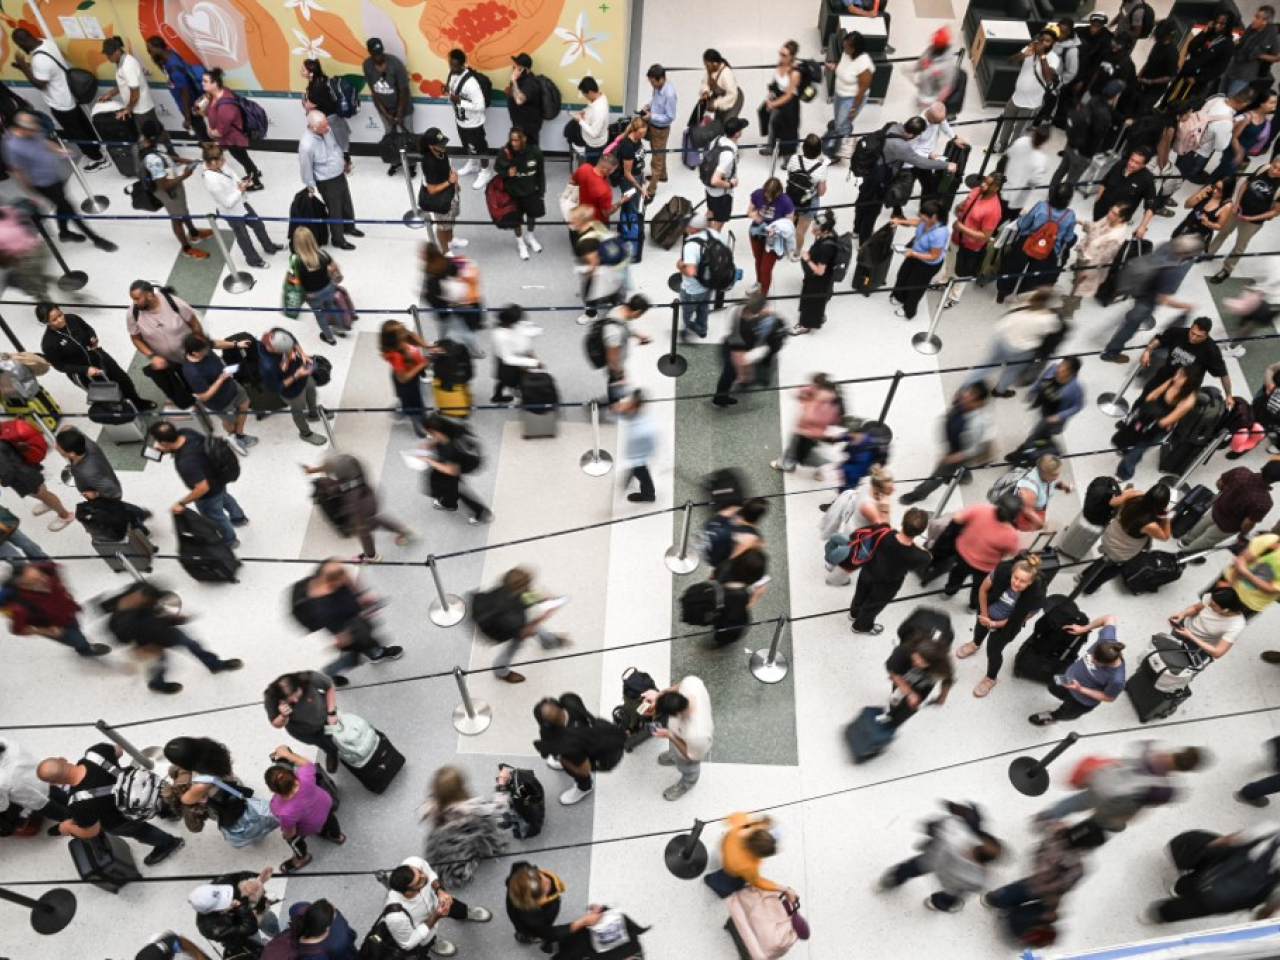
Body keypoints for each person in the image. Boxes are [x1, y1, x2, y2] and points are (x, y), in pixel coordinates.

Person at [38, 741, 185, 865]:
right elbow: (118, 750)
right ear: (63, 759)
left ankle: (168, 843)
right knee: (152, 795)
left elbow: (91, 831)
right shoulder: (96, 753)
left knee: (142, 831)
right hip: (140, 787)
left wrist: (67, 828)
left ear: (55, 783)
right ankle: (171, 811)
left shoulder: (78, 804)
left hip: (120, 820)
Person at [2, 112, 117, 250]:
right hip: (42, 184)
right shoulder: (12, 146)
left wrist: (59, 149)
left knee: (62, 206)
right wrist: (32, 195)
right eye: (32, 130)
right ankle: (95, 238)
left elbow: (43, 141)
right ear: (21, 128)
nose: (35, 132)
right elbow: (19, 172)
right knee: (69, 209)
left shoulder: (31, 132)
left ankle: (64, 232)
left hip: (54, 176)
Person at [107, 579, 243, 694]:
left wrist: (172, 618)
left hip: (164, 630)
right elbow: (122, 636)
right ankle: (156, 684)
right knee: (160, 662)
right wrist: (140, 649)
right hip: (147, 640)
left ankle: (215, 665)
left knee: (192, 644)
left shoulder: (144, 590)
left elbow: (157, 608)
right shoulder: (122, 618)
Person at [1035, 741, 1203, 830]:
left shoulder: (1152, 748)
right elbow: (1142, 805)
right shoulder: (1165, 789)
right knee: (1104, 822)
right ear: (1187, 770)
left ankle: (1047, 817)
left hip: (1104, 775)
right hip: (1114, 797)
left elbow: (1131, 749)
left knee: (1076, 802)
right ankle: (1075, 834)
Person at [290, 559, 404, 684]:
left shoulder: (328, 581)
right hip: (348, 631)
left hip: (356, 622)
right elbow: (341, 637)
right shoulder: (322, 608)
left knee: (368, 639)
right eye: (341, 573)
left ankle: (376, 653)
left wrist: (361, 597)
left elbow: (349, 584)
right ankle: (329, 674)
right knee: (351, 657)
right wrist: (348, 637)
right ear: (333, 582)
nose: (346, 574)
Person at [878, 801, 1002, 913]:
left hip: (930, 860)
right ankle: (936, 903)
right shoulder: (977, 878)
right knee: (951, 896)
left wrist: (965, 812)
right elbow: (973, 886)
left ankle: (891, 880)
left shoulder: (954, 830)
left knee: (908, 869)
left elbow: (937, 826)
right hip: (950, 879)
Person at [10, 29, 108, 170]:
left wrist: (25, 69)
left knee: (77, 133)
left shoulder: (39, 59)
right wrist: (30, 68)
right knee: (84, 125)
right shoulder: (47, 43)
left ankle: (98, 159)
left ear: (22, 42)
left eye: (19, 45)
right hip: (70, 95)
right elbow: (50, 70)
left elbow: (40, 84)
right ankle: (98, 148)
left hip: (60, 103)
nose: (20, 48)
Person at [1144, 825, 1280, 924]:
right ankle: (1159, 915)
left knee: (1203, 876)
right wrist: (1264, 915)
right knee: (1196, 907)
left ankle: (1177, 890)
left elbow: (1231, 839)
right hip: (1230, 898)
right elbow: (1274, 901)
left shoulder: (1271, 829)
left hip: (1218, 872)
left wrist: (1209, 849)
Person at [161, 736, 277, 848]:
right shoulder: (209, 747)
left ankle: (255, 835)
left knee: (235, 820)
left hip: (220, 800)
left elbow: (186, 799)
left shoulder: (200, 784)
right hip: (229, 782)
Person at [1099, 236, 1201, 363]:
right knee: (1130, 326)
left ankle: (1132, 316)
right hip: (1147, 299)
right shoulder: (1173, 270)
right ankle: (1111, 353)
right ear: (1185, 253)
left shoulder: (1166, 245)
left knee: (1133, 316)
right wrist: (1185, 306)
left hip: (1138, 285)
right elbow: (1163, 298)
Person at [956, 556, 1047, 697]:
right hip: (987, 612)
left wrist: (993, 624)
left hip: (1007, 625)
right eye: (1015, 578)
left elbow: (1018, 618)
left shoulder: (1036, 597)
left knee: (994, 650)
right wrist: (985, 616)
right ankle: (975, 644)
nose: (1016, 583)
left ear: (1030, 582)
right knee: (979, 630)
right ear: (1011, 573)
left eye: (1022, 581)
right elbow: (983, 590)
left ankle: (990, 678)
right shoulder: (1001, 571)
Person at [149, 420, 248, 547]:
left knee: (217, 517)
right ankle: (239, 518)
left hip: (208, 494)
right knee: (225, 497)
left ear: (163, 442)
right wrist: (167, 450)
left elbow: (202, 488)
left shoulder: (186, 463)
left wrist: (182, 503)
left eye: (156, 440)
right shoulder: (186, 432)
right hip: (219, 477)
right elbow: (194, 449)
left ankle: (230, 541)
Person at [36, 301, 152, 408]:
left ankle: (137, 402)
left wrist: (93, 337)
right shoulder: (48, 343)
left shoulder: (72, 318)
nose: (61, 320)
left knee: (122, 379)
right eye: (54, 320)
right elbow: (60, 366)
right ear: (46, 322)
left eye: (60, 315)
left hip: (97, 356)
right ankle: (125, 412)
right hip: (82, 373)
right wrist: (86, 369)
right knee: (107, 395)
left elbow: (88, 329)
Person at [303, 456, 415, 563]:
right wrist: (313, 470)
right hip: (370, 498)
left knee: (365, 529)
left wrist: (352, 518)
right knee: (376, 521)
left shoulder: (352, 496)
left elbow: (359, 521)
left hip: (361, 508)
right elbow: (330, 467)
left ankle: (371, 556)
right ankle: (404, 531)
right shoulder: (350, 464)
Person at [900, 383, 994, 504]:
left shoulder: (977, 424)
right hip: (954, 442)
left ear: (978, 403)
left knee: (938, 476)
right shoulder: (963, 404)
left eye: (972, 395)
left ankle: (919, 494)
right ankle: (964, 476)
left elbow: (973, 450)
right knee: (961, 466)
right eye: (969, 391)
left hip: (956, 452)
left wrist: (953, 458)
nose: (965, 395)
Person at [384, 856, 493, 958]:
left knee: (455, 906)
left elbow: (430, 874)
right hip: (423, 928)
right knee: (426, 940)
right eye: (419, 880)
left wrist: (439, 890)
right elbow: (408, 943)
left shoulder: (414, 862)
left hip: (437, 900)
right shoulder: (395, 917)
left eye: (420, 872)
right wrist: (435, 917)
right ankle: (433, 943)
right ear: (408, 891)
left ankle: (466, 913)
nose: (424, 876)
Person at [474, 565, 567, 684]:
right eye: (526, 586)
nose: (529, 588)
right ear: (518, 589)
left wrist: (539, 597)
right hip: (507, 628)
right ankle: (500, 671)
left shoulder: (505, 590)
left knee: (533, 623)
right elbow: (524, 631)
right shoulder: (511, 617)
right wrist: (543, 616)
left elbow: (522, 599)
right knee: (514, 647)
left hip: (509, 618)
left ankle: (549, 641)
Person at [964, 289, 1063, 397]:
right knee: (1011, 371)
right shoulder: (1048, 319)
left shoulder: (1021, 306)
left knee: (987, 365)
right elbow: (1054, 329)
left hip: (1002, 341)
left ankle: (966, 387)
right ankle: (999, 390)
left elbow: (1005, 319)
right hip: (1022, 350)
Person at [422, 765, 509, 888]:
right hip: (465, 846)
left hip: (446, 848)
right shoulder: (471, 810)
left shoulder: (432, 807)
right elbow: (498, 809)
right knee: (487, 826)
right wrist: (502, 783)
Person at [1028, 616, 1126, 725]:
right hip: (1069, 676)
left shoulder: (1117, 679)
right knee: (1054, 688)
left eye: (1095, 661)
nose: (1090, 658)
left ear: (1106, 664)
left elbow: (1108, 697)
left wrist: (1080, 689)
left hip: (1081, 699)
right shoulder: (1107, 642)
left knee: (1066, 712)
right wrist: (1084, 628)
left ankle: (1053, 717)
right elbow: (1109, 618)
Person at [534, 693, 626, 806]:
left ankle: (584, 787)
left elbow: (584, 769)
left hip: (601, 756)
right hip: (598, 736)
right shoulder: (570, 700)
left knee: (573, 765)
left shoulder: (569, 744)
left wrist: (565, 761)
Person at [137, 120, 211, 260]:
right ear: (155, 137)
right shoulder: (153, 160)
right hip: (169, 191)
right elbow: (164, 185)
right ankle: (186, 248)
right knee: (177, 218)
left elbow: (162, 155)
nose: (165, 133)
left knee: (183, 210)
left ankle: (194, 233)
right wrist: (185, 175)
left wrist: (182, 160)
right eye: (162, 131)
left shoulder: (146, 144)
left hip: (173, 185)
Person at [1114, 366, 1203, 481]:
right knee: (1131, 434)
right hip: (1148, 416)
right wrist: (1148, 410)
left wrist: (1153, 413)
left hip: (1158, 427)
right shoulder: (1172, 381)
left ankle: (1124, 473)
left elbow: (1167, 421)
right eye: (1177, 373)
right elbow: (1153, 394)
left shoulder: (1188, 400)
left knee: (1138, 448)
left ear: (1190, 382)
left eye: (1181, 376)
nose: (1176, 377)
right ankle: (1126, 449)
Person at [1, 561, 108, 657]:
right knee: (77, 639)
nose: (44, 579)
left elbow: (55, 571)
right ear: (21, 584)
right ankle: (84, 650)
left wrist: (66, 591)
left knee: (77, 629)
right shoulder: (18, 606)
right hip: (56, 628)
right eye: (35, 579)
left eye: (40, 574)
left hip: (68, 613)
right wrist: (44, 631)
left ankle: (81, 642)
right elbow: (18, 630)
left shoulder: (48, 569)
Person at [849, 508, 931, 635]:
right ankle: (861, 626)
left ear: (903, 522)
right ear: (921, 531)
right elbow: (928, 558)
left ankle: (853, 613)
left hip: (868, 571)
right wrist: (917, 546)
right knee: (873, 606)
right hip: (887, 585)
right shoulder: (918, 555)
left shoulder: (884, 533)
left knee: (860, 593)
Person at [265, 745, 344, 875]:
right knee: (329, 818)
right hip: (325, 804)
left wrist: (286, 836)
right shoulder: (305, 776)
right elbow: (306, 763)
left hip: (309, 826)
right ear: (291, 774)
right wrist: (287, 755)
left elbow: (291, 832)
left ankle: (302, 858)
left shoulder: (282, 810)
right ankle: (337, 836)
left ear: (273, 790)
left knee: (293, 841)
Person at [1080, 483, 1173, 594]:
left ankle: (1083, 575)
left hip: (1111, 535)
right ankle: (1088, 588)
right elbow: (1165, 537)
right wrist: (1167, 518)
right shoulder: (1150, 525)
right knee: (1112, 569)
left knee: (1105, 560)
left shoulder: (1135, 495)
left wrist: (1127, 493)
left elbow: (1112, 502)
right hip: (1120, 550)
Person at [55, 426, 151, 531]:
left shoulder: (88, 473)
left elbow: (114, 491)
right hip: (104, 480)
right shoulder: (85, 443)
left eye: (59, 446)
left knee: (120, 512)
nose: (55, 446)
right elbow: (71, 428)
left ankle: (141, 527)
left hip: (104, 496)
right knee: (121, 507)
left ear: (72, 453)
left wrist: (95, 495)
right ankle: (141, 513)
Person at [933, 497, 1022, 609]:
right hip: (985, 567)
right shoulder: (1011, 535)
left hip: (963, 554)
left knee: (956, 576)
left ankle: (949, 593)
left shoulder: (981, 508)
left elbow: (958, 518)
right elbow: (1010, 552)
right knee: (979, 587)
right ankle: (973, 606)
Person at [127, 279, 204, 408]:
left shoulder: (175, 304)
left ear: (150, 295)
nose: (134, 302)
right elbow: (136, 338)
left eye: (137, 298)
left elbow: (195, 325)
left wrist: (199, 347)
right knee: (182, 383)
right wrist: (151, 356)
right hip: (166, 361)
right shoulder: (133, 313)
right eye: (133, 299)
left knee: (199, 379)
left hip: (189, 355)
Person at [202, 143, 280, 270]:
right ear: (212, 162)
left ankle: (269, 247)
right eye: (222, 159)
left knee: (259, 225)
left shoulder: (220, 165)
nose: (225, 160)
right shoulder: (212, 182)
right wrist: (240, 190)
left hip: (241, 203)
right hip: (232, 212)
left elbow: (231, 173)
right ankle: (253, 260)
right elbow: (227, 203)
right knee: (244, 237)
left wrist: (241, 183)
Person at [996, 184, 1077, 303]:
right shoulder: (1070, 215)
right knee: (1034, 277)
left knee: (1012, 267)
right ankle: (1023, 298)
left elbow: (1023, 224)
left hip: (1028, 241)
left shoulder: (1041, 206)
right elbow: (1069, 238)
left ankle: (1002, 293)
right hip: (1050, 250)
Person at [181, 334, 256, 456]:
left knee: (244, 403)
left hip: (231, 386)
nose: (209, 349)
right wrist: (221, 379)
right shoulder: (193, 372)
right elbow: (204, 396)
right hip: (219, 401)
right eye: (206, 349)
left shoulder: (204, 347)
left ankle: (240, 434)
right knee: (230, 421)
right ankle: (233, 438)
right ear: (194, 353)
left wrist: (236, 344)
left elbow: (216, 343)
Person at [1209, 156, 1280, 283]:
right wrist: (1237, 203)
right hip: (1238, 210)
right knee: (1223, 231)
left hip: (1253, 222)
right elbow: (1246, 184)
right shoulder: (1263, 169)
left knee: (1240, 245)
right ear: (1272, 163)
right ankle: (1209, 253)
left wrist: (1251, 218)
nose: (1275, 171)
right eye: (1275, 167)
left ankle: (1227, 269)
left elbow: (1274, 212)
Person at [1181, 462, 1280, 553]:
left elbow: (1219, 483)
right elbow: (1247, 523)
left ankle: (1186, 540)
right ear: (1276, 480)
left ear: (1264, 466)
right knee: (1208, 539)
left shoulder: (1241, 471)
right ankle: (1187, 553)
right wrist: (1242, 535)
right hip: (1228, 526)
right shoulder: (1264, 502)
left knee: (1202, 524)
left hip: (1217, 508)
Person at [506, 863, 605, 951]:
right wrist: (583, 922)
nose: (548, 880)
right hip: (531, 923)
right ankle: (525, 936)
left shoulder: (521, 870)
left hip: (539, 911)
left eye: (540, 875)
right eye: (544, 891)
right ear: (536, 901)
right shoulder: (532, 918)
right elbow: (551, 933)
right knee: (531, 931)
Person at [642, 676, 713, 801]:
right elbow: (678, 686)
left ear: (677, 715)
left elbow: (693, 757)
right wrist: (659, 695)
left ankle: (687, 783)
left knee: (688, 767)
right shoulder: (691, 684)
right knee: (676, 750)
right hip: (680, 735)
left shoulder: (697, 735)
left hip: (690, 751)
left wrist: (670, 735)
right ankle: (674, 755)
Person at [258, 326, 330, 446]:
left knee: (312, 392)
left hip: (303, 375)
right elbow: (275, 387)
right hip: (292, 391)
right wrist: (296, 375)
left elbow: (292, 338)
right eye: (287, 351)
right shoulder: (268, 366)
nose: (291, 351)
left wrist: (302, 354)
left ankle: (313, 414)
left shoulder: (277, 334)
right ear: (274, 349)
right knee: (299, 411)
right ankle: (305, 433)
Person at [703, 812, 798, 902]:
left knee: (729, 874)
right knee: (730, 881)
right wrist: (785, 889)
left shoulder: (741, 827)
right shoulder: (749, 866)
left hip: (726, 851)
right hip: (733, 869)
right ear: (759, 854)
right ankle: (715, 885)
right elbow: (757, 882)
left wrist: (761, 824)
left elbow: (736, 817)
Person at [416, 414, 493, 524]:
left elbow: (451, 470)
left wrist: (429, 461)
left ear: (436, 432)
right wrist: (430, 445)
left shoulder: (451, 449)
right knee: (443, 480)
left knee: (455, 486)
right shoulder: (451, 429)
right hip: (466, 457)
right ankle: (448, 503)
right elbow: (441, 440)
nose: (428, 435)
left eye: (429, 434)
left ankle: (482, 513)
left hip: (467, 464)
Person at [298, 110, 358, 251]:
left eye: (326, 124)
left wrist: (344, 163)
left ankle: (349, 227)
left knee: (346, 201)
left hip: (338, 173)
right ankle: (338, 239)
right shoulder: (307, 145)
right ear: (313, 127)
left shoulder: (326, 130)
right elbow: (305, 166)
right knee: (335, 209)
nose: (327, 128)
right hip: (326, 180)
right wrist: (310, 185)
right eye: (324, 126)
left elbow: (335, 148)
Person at [941, 174, 1004, 307]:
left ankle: (954, 296)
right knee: (950, 259)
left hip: (971, 245)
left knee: (963, 272)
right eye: (984, 181)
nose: (983, 185)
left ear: (996, 188)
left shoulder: (994, 210)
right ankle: (945, 280)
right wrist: (959, 207)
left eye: (988, 184)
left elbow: (985, 236)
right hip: (957, 237)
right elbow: (964, 206)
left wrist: (962, 228)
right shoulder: (976, 191)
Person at [994, 29, 1060, 152]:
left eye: (1048, 41)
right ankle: (1001, 145)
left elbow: (1048, 78)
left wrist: (1042, 56)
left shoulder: (1053, 58)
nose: (1044, 43)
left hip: (1031, 104)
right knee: (1006, 123)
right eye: (1042, 40)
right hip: (1015, 98)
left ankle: (1012, 151)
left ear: (1053, 43)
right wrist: (1024, 54)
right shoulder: (1030, 49)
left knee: (1019, 130)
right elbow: (1010, 61)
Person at [1049, 80, 1122, 190]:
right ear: (1116, 96)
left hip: (1071, 143)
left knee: (1061, 170)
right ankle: (1059, 201)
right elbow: (1097, 139)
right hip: (1083, 153)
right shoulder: (1105, 116)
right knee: (1071, 181)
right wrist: (1089, 157)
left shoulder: (1094, 100)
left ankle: (1051, 192)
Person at [189, 867, 279, 956]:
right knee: (261, 949)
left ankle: (281, 937)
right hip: (245, 934)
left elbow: (243, 875)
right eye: (222, 903)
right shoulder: (210, 928)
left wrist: (258, 881)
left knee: (271, 924)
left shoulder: (222, 882)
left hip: (258, 910)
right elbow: (249, 928)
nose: (231, 900)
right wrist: (243, 903)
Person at [1177, 85, 1256, 182]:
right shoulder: (1226, 122)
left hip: (1186, 138)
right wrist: (1233, 128)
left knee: (1177, 169)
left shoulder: (1217, 98)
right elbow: (1220, 147)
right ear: (1244, 104)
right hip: (1197, 152)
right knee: (1179, 177)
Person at [264, 671, 340, 772]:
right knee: (322, 743)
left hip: (325, 719)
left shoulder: (308, 678)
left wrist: (331, 713)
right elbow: (275, 723)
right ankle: (331, 753)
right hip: (304, 731)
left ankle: (339, 748)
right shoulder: (271, 697)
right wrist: (283, 715)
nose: (295, 700)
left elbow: (329, 686)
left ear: (300, 685)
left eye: (296, 694)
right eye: (289, 699)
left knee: (335, 737)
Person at [200, 68, 261, 189]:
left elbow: (220, 131)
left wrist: (209, 129)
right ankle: (255, 173)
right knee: (244, 158)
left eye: (205, 81)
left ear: (214, 84)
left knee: (243, 159)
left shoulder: (225, 107)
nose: (202, 83)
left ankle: (257, 183)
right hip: (230, 138)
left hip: (232, 139)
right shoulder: (219, 93)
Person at [889, 200, 949, 321]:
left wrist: (914, 253)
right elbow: (917, 223)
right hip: (914, 254)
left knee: (915, 286)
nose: (920, 218)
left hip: (927, 264)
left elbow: (934, 256)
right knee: (903, 275)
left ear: (934, 217)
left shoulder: (939, 233)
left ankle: (908, 310)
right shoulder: (925, 221)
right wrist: (900, 221)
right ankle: (899, 296)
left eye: (923, 216)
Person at [289, 226, 348, 346]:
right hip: (328, 288)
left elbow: (296, 282)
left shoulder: (297, 262)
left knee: (320, 316)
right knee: (332, 306)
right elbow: (334, 266)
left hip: (313, 295)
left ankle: (329, 338)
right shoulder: (322, 254)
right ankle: (340, 329)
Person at [1013, 357, 1085, 456]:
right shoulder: (1052, 369)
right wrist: (1032, 391)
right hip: (1045, 408)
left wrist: (1059, 416)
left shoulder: (1075, 389)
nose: (1059, 367)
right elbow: (1041, 380)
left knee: (1036, 434)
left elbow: (1078, 406)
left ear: (1071, 372)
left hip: (1053, 417)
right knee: (1042, 435)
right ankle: (1042, 442)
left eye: (1064, 367)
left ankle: (1023, 450)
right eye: (1061, 364)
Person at [364, 38, 413, 179]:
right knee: (390, 137)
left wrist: (398, 114)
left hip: (403, 108)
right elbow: (374, 91)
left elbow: (404, 90)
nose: (378, 57)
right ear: (370, 53)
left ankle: (410, 165)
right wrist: (385, 114)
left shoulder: (395, 64)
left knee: (406, 137)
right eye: (375, 54)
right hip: (385, 110)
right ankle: (395, 162)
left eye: (380, 53)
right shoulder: (367, 65)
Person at [772, 374, 841, 472]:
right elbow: (801, 395)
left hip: (808, 432)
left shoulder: (824, 403)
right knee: (794, 448)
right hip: (807, 431)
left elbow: (811, 417)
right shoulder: (822, 395)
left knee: (801, 455)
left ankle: (822, 463)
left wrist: (806, 400)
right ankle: (786, 463)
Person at [0, 736, 68, 831]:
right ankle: (80, 814)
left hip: (33, 798)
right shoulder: (7, 744)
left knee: (54, 811)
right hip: (40, 778)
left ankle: (74, 825)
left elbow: (3, 805)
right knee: (63, 798)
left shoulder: (2, 780)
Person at [884, 636, 954, 727]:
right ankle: (892, 710)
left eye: (920, 663)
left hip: (924, 685)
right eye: (914, 659)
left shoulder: (941, 665)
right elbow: (894, 674)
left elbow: (947, 679)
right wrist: (910, 693)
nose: (915, 663)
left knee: (910, 708)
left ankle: (898, 721)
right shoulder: (902, 651)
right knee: (896, 699)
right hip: (902, 678)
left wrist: (943, 696)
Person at [498, 127, 545, 260]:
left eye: (516, 140)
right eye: (511, 140)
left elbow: (540, 173)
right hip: (513, 193)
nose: (513, 143)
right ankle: (520, 243)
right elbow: (497, 167)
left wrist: (541, 191)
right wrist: (507, 173)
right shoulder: (505, 151)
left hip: (531, 191)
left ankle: (530, 236)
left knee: (532, 215)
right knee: (516, 219)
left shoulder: (535, 151)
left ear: (524, 139)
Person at [792, 209, 840, 335]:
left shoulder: (826, 248)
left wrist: (807, 259)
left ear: (825, 231)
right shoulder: (830, 236)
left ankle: (805, 325)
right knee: (816, 301)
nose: (813, 230)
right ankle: (819, 316)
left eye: (816, 230)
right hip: (818, 279)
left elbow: (820, 271)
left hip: (817, 280)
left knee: (811, 302)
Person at [677, 211, 723, 339]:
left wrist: (680, 265)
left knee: (687, 311)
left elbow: (691, 272)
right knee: (703, 307)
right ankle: (702, 329)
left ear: (692, 228)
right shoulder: (714, 235)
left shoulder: (691, 245)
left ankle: (685, 330)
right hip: (709, 283)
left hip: (692, 289)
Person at [828, 32, 874, 160]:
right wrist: (835, 66)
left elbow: (862, 90)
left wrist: (854, 109)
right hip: (840, 94)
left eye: (847, 46)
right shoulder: (847, 53)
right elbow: (844, 67)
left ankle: (837, 152)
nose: (844, 48)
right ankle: (841, 129)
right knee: (840, 121)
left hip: (852, 99)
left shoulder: (864, 66)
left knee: (843, 125)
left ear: (855, 48)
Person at [1168, 587, 1248, 661]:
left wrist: (1190, 636)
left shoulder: (1237, 625)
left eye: (1213, 605)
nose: (1209, 605)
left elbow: (1218, 653)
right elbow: (1196, 608)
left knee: (1176, 664)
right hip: (1184, 628)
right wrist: (1182, 614)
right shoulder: (1212, 599)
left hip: (1199, 646)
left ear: (1226, 610)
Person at [600, 294, 652, 405]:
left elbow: (624, 326)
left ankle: (613, 401)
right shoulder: (613, 331)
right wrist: (619, 374)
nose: (639, 316)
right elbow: (611, 355)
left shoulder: (620, 310)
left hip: (618, 363)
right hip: (615, 367)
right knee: (615, 388)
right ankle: (611, 405)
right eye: (641, 314)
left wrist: (638, 335)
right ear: (637, 312)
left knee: (616, 388)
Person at [1220, 525, 1280, 622]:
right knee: (1204, 609)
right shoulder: (1270, 540)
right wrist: (1229, 585)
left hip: (1250, 602)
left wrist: (1245, 572)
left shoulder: (1271, 540)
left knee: (1225, 627)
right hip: (1230, 584)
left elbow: (1272, 589)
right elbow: (1242, 559)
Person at [745, 177, 794, 297]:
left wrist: (777, 229)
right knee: (758, 259)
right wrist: (755, 216)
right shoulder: (758, 194)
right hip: (757, 232)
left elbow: (789, 224)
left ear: (778, 192)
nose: (768, 198)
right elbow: (749, 211)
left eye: (771, 196)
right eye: (766, 195)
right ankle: (759, 282)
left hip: (774, 237)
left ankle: (763, 294)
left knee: (766, 268)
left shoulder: (786, 202)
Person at [99, 37, 159, 134]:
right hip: (137, 108)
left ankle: (168, 149)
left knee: (151, 136)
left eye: (110, 54)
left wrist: (128, 109)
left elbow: (135, 93)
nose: (108, 58)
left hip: (142, 110)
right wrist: (110, 93)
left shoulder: (128, 65)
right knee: (153, 133)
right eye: (107, 54)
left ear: (118, 51)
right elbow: (125, 84)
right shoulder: (120, 63)